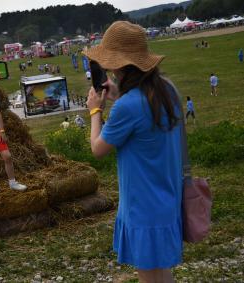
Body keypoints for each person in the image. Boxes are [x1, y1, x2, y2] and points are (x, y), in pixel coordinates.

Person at [83, 21, 183, 283]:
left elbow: (98, 149)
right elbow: (143, 115)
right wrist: (118, 95)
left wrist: (95, 111)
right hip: (167, 198)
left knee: (150, 278)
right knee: (162, 274)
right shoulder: (166, 89)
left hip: (142, 206)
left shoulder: (128, 106)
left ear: (118, 65)